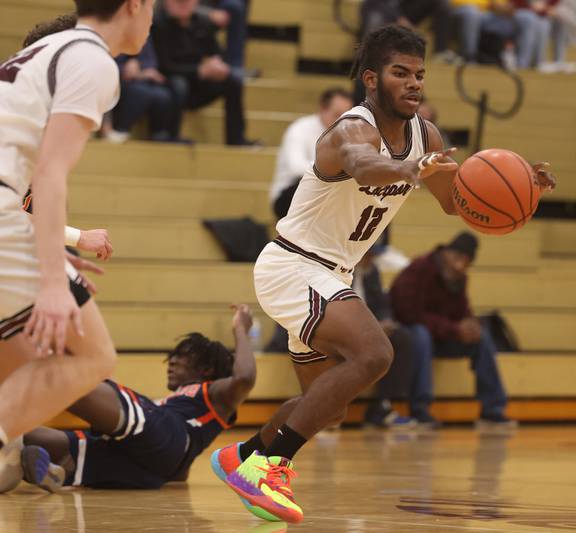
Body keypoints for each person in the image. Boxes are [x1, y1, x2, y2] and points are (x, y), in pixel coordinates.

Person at [210, 25, 554, 525]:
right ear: (372, 79)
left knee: (326, 409)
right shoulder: (351, 130)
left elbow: (457, 203)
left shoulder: (425, 135)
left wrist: (522, 191)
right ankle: (270, 465)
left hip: (333, 275)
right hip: (293, 265)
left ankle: (242, 455)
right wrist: (411, 169)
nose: (414, 83)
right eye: (400, 73)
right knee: (375, 353)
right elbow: (365, 166)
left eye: (419, 74)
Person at [0, 0, 152, 492]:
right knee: (91, 357)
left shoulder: (46, 49)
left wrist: (46, 247)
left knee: (19, 355)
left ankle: (11, 452)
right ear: (135, 5)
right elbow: (48, 175)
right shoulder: (92, 59)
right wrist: (49, 281)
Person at [13, 304, 257, 494]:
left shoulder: (213, 393)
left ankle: (31, 356)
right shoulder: (183, 408)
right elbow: (178, 471)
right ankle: (53, 471)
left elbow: (244, 377)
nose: (171, 361)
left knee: (70, 378)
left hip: (162, 434)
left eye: (182, 356)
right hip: (146, 470)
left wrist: (240, 330)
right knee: (20, 436)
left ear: (206, 369)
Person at [390, 232, 514, 428]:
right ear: (446, 252)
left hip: (442, 336)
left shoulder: (459, 278)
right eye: (457, 257)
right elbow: (409, 314)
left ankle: (492, 410)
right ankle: (420, 408)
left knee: (481, 336)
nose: (459, 265)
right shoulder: (419, 269)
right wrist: (454, 329)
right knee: (421, 335)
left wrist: (469, 324)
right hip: (410, 335)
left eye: (465, 261)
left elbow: (462, 310)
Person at [151, 0, 251, 146]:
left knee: (233, 80)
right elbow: (164, 67)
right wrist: (199, 71)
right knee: (179, 84)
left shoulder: (203, 22)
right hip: (169, 85)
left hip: (197, 85)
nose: (182, 3)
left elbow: (216, 53)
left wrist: (218, 65)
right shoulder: (158, 24)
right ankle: (171, 135)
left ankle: (236, 139)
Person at [354, 246, 416, 429]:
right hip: (338, 328)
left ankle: (382, 405)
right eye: (367, 255)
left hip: (366, 331)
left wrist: (386, 320)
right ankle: (330, 408)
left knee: (402, 338)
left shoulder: (371, 272)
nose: (370, 260)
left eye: (373, 256)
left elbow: (381, 304)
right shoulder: (337, 269)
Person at [270, 88, 353, 220]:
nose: (342, 120)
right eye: (337, 114)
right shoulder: (300, 128)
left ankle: (379, 240)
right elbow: (296, 168)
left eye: (346, 116)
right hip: (290, 195)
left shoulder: (348, 134)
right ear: (322, 109)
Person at [109, 38, 178, 143]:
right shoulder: (114, 33)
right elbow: (105, 62)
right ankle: (121, 129)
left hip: (143, 80)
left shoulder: (143, 34)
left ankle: (159, 134)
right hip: (117, 80)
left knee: (163, 95)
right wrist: (124, 69)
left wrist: (141, 71)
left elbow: (151, 63)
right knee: (139, 92)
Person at [512, 0, 576, 72]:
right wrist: (540, 8)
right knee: (539, 21)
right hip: (521, 10)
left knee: (560, 20)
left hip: (541, 12)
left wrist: (548, 9)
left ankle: (559, 61)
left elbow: (552, 4)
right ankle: (535, 61)